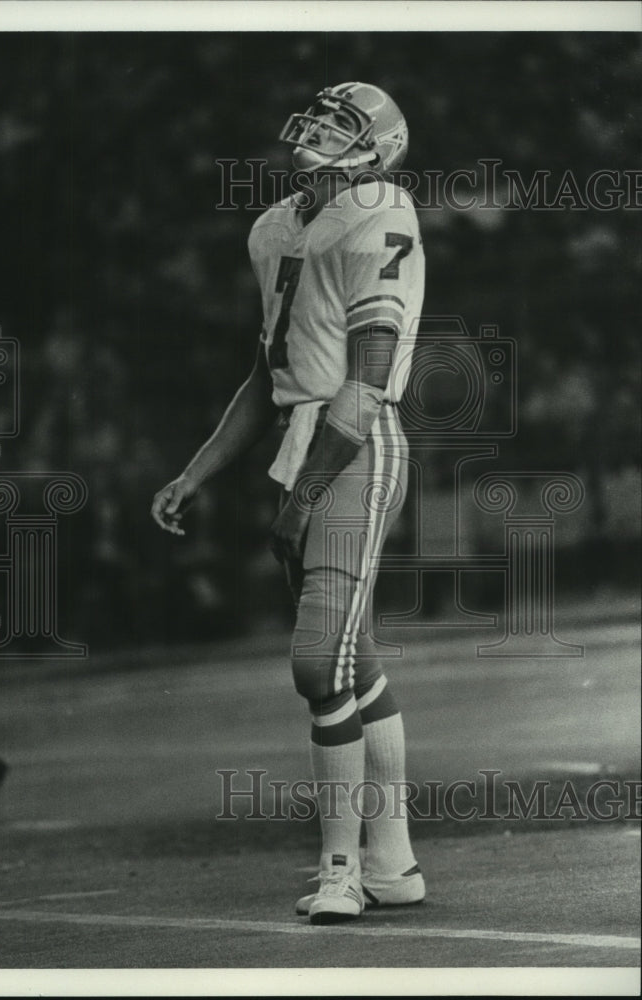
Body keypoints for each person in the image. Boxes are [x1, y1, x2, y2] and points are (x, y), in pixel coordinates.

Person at [151, 82, 426, 925]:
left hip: (356, 441)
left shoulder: (380, 210)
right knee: (351, 663)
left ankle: (339, 867)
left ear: (375, 150)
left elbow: (366, 381)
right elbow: (270, 372)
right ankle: (394, 861)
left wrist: (302, 499)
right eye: (318, 117)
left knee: (317, 664)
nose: (316, 131)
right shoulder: (275, 226)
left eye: (342, 125)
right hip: (301, 441)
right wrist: (196, 471)